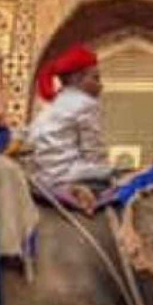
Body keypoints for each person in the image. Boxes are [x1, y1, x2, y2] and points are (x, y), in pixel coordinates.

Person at [26, 45, 118, 201]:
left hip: (42, 176)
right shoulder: (86, 103)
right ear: (77, 79)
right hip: (67, 173)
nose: (100, 86)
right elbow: (93, 150)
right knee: (121, 177)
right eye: (95, 78)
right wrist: (107, 171)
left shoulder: (52, 104)